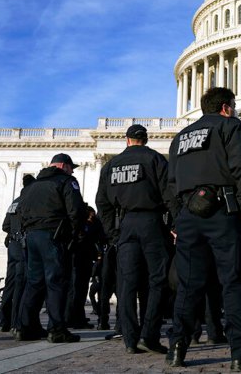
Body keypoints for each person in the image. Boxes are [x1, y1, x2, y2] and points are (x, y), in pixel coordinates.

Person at [166, 87, 241, 370]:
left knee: (189, 285)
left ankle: (177, 348)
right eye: (234, 106)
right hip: (224, 211)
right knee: (234, 281)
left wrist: (179, 217)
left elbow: (171, 184)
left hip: (189, 214)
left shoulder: (181, 138)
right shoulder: (232, 127)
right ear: (226, 107)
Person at [96, 124, 172, 354]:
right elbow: (170, 195)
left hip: (125, 224)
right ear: (145, 139)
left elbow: (103, 203)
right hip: (152, 223)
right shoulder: (156, 160)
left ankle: (130, 338)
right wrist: (175, 225)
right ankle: (149, 335)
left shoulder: (111, 165)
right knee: (157, 281)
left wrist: (113, 233)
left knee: (126, 284)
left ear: (127, 140)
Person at [16, 153, 85, 343]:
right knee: (56, 282)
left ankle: (25, 328)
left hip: (31, 236)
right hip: (53, 236)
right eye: (71, 167)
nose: (72, 171)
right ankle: (57, 329)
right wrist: (76, 233)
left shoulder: (32, 186)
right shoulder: (66, 181)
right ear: (63, 166)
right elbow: (76, 210)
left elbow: (20, 212)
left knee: (34, 283)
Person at [0, 174, 35, 333]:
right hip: (23, 244)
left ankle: (3, 322)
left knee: (10, 284)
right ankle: (16, 322)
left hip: (12, 244)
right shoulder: (29, 200)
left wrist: (13, 231)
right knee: (22, 282)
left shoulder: (14, 202)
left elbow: (5, 225)